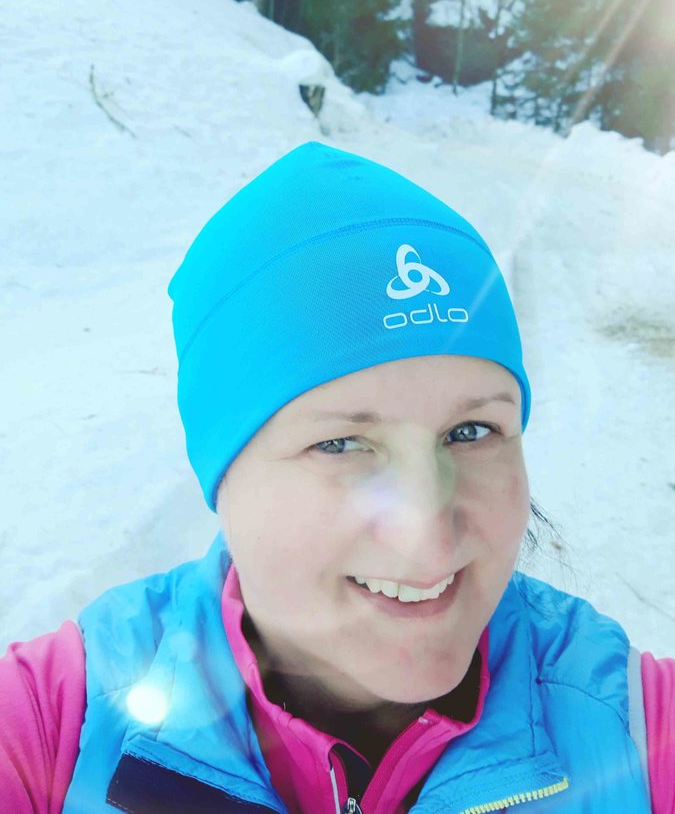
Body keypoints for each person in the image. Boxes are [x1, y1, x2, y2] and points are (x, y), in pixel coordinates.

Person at [0, 142, 673, 813]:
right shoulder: (54, 727)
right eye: (341, 444)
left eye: (470, 432)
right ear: (222, 473)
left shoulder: (640, 736)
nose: (427, 533)